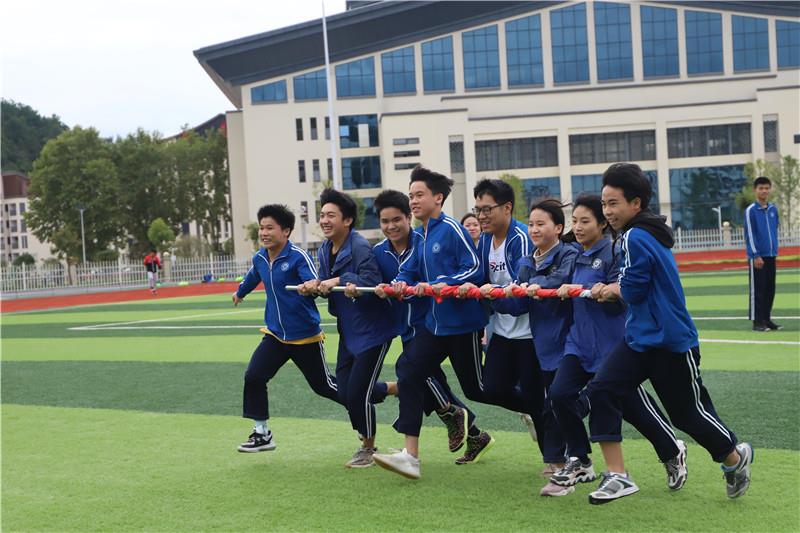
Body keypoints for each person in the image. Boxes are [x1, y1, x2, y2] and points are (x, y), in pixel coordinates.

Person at [586, 163, 753, 504]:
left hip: (670, 342)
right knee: (602, 389)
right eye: (604, 204)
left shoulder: (636, 236)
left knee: (688, 415)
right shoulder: (639, 233)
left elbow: (633, 289)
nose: (607, 211)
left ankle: (734, 458)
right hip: (640, 339)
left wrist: (610, 289)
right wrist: (615, 287)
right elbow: (636, 284)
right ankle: (618, 475)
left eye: (613, 203)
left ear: (636, 203)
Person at [546, 194, 687, 496]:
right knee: (559, 394)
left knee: (635, 410)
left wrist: (592, 291)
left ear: (601, 224)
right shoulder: (575, 254)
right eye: (575, 221)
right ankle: (580, 459)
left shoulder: (613, 253)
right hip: (579, 344)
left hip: (612, 346)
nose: (578, 227)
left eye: (585, 221)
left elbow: (621, 299)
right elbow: (553, 278)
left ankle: (672, 451)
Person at [372, 165, 493, 479]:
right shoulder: (423, 235)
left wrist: (445, 283)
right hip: (436, 327)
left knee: (478, 389)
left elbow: (475, 269)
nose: (413, 201)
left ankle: (534, 406)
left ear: (438, 198)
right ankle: (410, 456)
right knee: (408, 370)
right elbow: (408, 270)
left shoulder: (450, 229)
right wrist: (397, 284)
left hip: (463, 326)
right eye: (411, 195)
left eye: (419, 195)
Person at [297, 188, 396, 468]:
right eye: (322, 215)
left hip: (373, 330)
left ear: (348, 220)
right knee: (344, 391)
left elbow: (371, 281)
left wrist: (341, 280)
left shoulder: (360, 246)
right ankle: (396, 388)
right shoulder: (325, 249)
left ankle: (368, 447)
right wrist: (314, 287)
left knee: (358, 392)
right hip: (349, 330)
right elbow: (326, 284)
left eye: (331, 215)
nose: (324, 221)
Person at [233, 204, 339, 453]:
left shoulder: (297, 257)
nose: (264, 233)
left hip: (305, 337)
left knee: (324, 387)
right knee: (254, 376)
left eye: (270, 228)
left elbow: (314, 282)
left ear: (286, 231)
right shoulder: (260, 258)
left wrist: (311, 286)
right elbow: (253, 277)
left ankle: (366, 396)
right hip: (276, 336)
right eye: (261, 228)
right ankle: (262, 433)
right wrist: (240, 292)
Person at [488, 198, 575, 496]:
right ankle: (560, 465)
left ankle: (570, 463)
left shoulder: (568, 254)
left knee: (569, 401)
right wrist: (493, 296)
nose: (534, 229)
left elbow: (560, 279)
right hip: (545, 343)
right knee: (554, 403)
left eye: (541, 224)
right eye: (532, 224)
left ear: (558, 228)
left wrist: (534, 285)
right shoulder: (526, 262)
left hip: (571, 340)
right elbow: (519, 305)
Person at [458, 180, 544, 447]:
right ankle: (548, 411)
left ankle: (555, 460)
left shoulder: (521, 238)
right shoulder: (485, 239)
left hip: (530, 333)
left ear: (507, 208)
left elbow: (521, 297)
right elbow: (480, 276)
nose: (481, 216)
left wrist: (490, 294)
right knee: (493, 389)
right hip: (503, 332)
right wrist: (468, 285)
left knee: (534, 395)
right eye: (478, 210)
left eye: (487, 209)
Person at [744, 176, 781, 331]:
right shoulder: (751, 211)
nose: (764, 191)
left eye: (766, 188)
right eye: (761, 188)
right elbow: (750, 234)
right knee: (758, 290)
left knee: (770, 289)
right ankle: (757, 321)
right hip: (758, 257)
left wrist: (774, 249)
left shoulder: (773, 209)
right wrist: (755, 255)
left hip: (771, 254)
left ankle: (766, 319)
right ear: (755, 190)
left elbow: (775, 229)